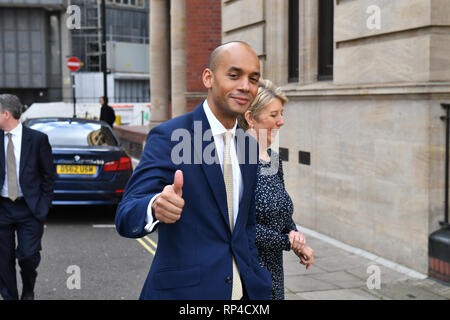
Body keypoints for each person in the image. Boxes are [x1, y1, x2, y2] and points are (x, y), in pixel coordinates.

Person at [115, 41, 272, 300]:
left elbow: (245, 227)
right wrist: (154, 206)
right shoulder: (170, 136)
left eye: (253, 79)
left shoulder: (247, 145)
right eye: (234, 75)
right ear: (208, 78)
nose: (245, 86)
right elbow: (125, 215)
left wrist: (259, 279)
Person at [238, 79, 315, 300]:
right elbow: (240, 227)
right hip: (249, 274)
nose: (281, 121)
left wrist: (295, 236)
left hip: (274, 272)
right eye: (273, 115)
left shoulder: (273, 159)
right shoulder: (237, 161)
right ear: (250, 118)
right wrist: (286, 242)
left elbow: (282, 209)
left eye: (281, 113)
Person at [0, 94, 54, 300]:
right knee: (3, 260)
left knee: (28, 256)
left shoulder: (38, 140)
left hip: (29, 208)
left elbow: (49, 176)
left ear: (6, 114)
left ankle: (28, 288)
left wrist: (43, 207)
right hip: (2, 208)